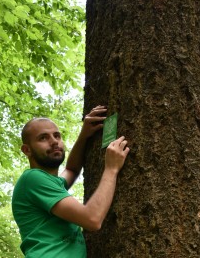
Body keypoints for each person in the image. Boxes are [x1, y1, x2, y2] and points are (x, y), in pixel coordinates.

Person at [11, 105, 130, 257]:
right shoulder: (33, 178)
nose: (54, 142)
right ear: (27, 150)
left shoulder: (51, 183)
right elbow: (92, 219)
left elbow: (72, 170)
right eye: (43, 138)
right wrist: (111, 169)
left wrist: (84, 134)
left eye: (57, 136)